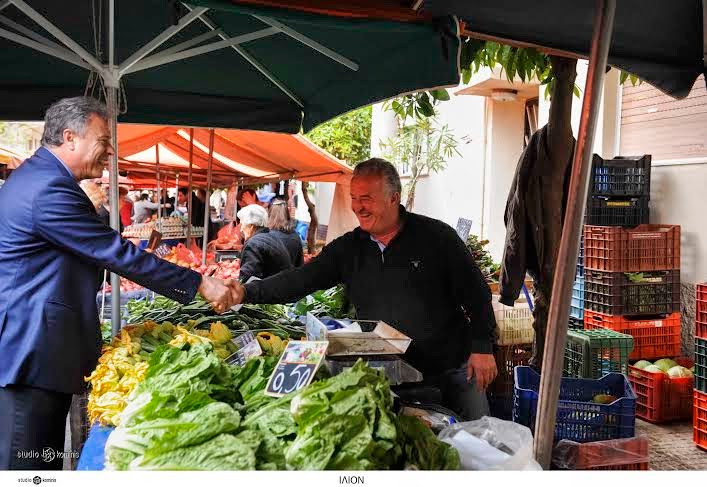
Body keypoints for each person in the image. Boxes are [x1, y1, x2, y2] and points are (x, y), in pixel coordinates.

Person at [0, 96, 240, 470]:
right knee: (26, 465)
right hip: (32, 350)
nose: (109, 153)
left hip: (42, 349)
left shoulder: (42, 179)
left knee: (41, 461)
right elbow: (116, 253)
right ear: (70, 137)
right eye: (103, 141)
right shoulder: (47, 188)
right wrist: (200, 285)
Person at [230, 158, 498, 421]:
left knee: (483, 446)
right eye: (354, 198)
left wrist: (482, 348)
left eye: (366, 198)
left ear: (394, 198)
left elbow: (477, 293)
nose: (358, 207)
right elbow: (300, 279)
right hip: (394, 374)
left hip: (455, 369)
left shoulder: (437, 237)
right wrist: (246, 292)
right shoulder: (349, 248)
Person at [237, 204, 293, 282]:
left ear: (251, 226)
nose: (241, 230)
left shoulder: (253, 244)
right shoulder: (271, 237)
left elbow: (248, 279)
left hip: (274, 290)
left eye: (242, 224)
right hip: (282, 287)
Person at [268, 198, 304, 267]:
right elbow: (300, 265)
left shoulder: (265, 236)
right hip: (291, 276)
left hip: (272, 277)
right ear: (287, 214)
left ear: (270, 214)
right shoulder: (295, 236)